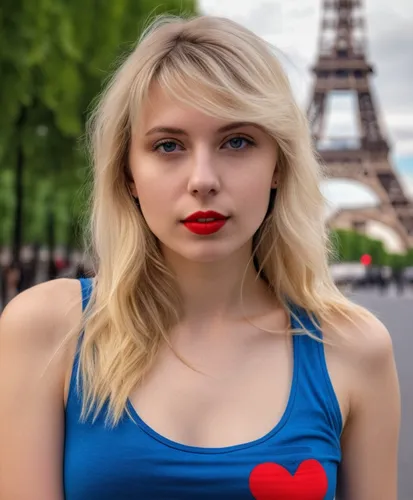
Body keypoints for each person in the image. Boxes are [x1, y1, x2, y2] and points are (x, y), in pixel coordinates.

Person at [0, 14, 400, 500]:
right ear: (128, 173)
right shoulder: (46, 330)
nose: (202, 178)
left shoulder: (357, 350)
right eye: (168, 145)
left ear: (279, 164)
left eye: (237, 141)